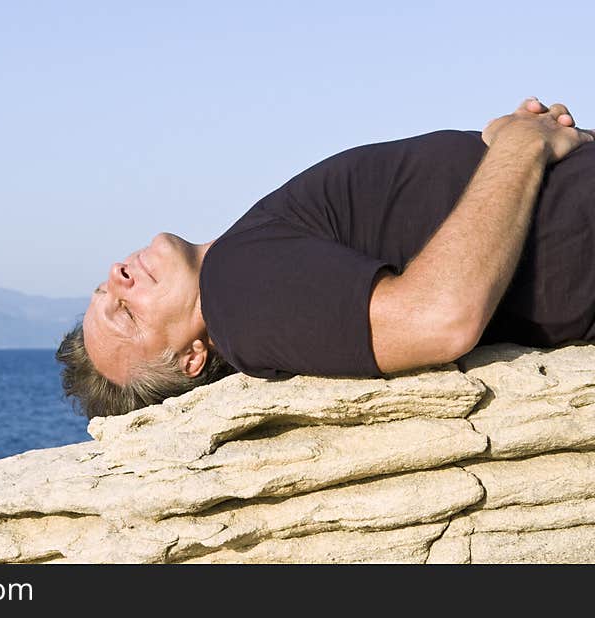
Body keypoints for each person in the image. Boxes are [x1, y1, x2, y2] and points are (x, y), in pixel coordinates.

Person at [57, 98, 595, 419]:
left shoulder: (245, 261)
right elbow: (439, 319)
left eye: (104, 292)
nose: (116, 276)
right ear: (191, 359)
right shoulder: (237, 296)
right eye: (126, 313)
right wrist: (521, 146)